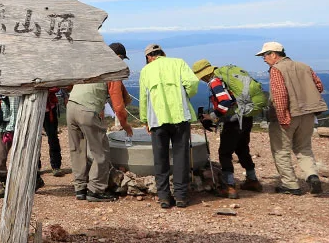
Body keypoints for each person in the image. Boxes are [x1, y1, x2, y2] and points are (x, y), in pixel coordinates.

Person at [191, 59, 268, 198]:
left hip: (233, 121)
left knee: (224, 153)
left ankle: (229, 186)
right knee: (242, 148)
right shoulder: (225, 77)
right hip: (246, 116)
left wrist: (212, 116)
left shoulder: (215, 81)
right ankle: (253, 180)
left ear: (203, 74)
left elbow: (225, 101)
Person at [258, 42, 326, 196]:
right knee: (304, 148)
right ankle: (312, 176)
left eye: (265, 55)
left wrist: (282, 117)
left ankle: (290, 184)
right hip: (308, 114)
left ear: (274, 54)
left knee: (281, 150)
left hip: (288, 114)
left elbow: (279, 95)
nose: (263, 58)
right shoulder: (304, 66)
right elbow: (319, 86)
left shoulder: (276, 69)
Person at [67, 42, 132, 202]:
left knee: (78, 149)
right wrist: (125, 125)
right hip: (87, 111)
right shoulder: (112, 68)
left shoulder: (91, 63)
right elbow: (118, 105)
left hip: (71, 107)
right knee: (100, 151)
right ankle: (95, 190)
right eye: (122, 58)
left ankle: (80, 188)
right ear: (118, 56)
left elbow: (71, 85)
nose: (122, 62)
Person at [138, 44, 201, 208]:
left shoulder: (146, 71)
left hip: (157, 120)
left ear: (149, 57)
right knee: (181, 156)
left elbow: (143, 98)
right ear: (162, 54)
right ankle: (181, 196)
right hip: (180, 117)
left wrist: (145, 120)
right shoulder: (178, 63)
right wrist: (185, 95)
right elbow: (193, 82)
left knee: (160, 159)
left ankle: (164, 197)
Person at [43, 88, 66, 177]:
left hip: (49, 109)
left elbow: (56, 87)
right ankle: (35, 167)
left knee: (52, 137)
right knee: (33, 139)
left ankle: (56, 166)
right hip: (33, 107)